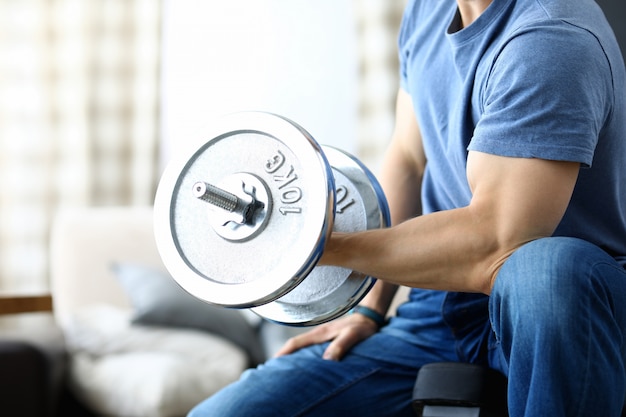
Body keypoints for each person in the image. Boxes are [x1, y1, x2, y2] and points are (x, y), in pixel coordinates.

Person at [189, 0, 626, 415]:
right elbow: (408, 158)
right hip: (436, 314)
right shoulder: (429, 10)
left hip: (556, 316)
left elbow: (495, 243)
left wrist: (305, 247)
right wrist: (369, 307)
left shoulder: (551, 38)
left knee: (544, 268)